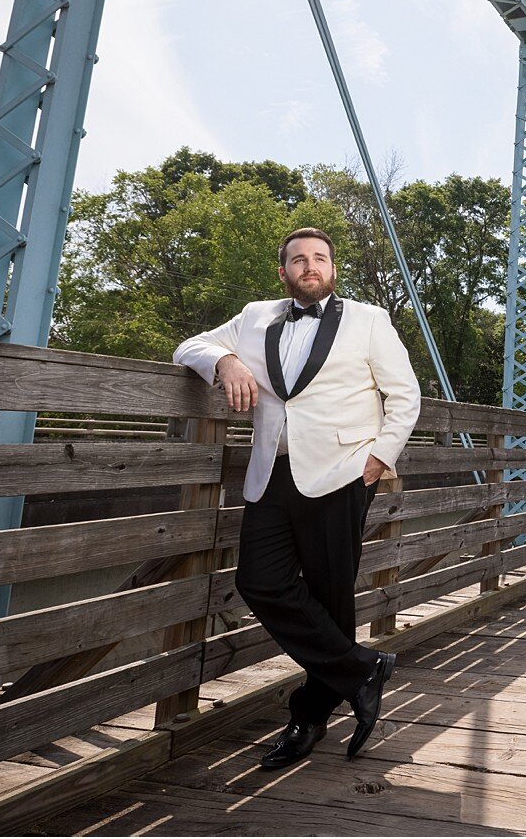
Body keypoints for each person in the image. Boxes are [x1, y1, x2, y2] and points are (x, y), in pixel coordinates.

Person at [174, 227, 421, 769]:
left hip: (343, 473)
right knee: (259, 580)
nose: (311, 266)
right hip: (272, 473)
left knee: (331, 598)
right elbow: (189, 345)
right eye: (299, 259)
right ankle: (361, 670)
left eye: (320, 258)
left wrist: (379, 458)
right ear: (282, 270)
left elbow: (405, 395)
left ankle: (307, 719)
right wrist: (225, 362)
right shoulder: (254, 316)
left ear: (332, 268)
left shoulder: (369, 320)